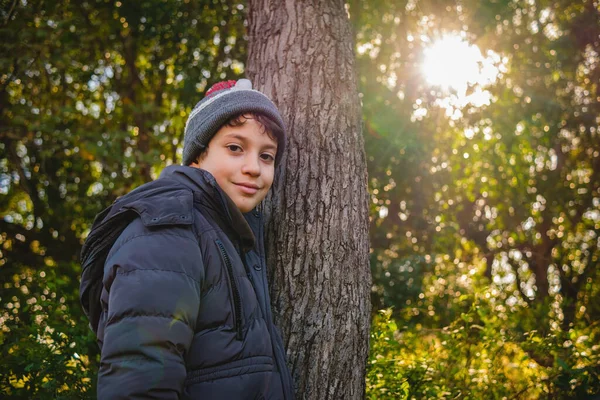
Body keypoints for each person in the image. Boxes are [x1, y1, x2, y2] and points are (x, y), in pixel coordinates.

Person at [79, 79, 295, 399]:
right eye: (235, 148)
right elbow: (140, 382)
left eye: (267, 156)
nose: (253, 168)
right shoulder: (167, 230)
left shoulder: (225, 235)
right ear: (196, 156)